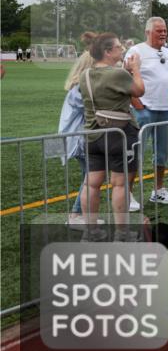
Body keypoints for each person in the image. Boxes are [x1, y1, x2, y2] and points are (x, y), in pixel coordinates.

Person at [80, 33, 144, 239]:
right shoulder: (118, 75)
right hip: (119, 135)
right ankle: (122, 232)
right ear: (108, 52)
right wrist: (135, 70)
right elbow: (139, 90)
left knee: (91, 184)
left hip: (92, 134)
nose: (122, 50)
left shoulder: (86, 74)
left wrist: (125, 72)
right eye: (118, 47)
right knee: (119, 184)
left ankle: (92, 231)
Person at [126, 16, 168, 205]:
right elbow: (125, 78)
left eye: (164, 30)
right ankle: (128, 193)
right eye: (158, 30)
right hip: (144, 110)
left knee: (161, 152)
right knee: (136, 152)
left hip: (164, 110)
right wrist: (139, 106)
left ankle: (158, 190)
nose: (163, 33)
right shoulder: (136, 50)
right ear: (148, 32)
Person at [58, 33, 96, 225]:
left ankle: (78, 214)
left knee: (88, 176)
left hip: (78, 138)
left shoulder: (78, 85)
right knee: (91, 177)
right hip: (79, 139)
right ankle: (76, 215)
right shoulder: (81, 87)